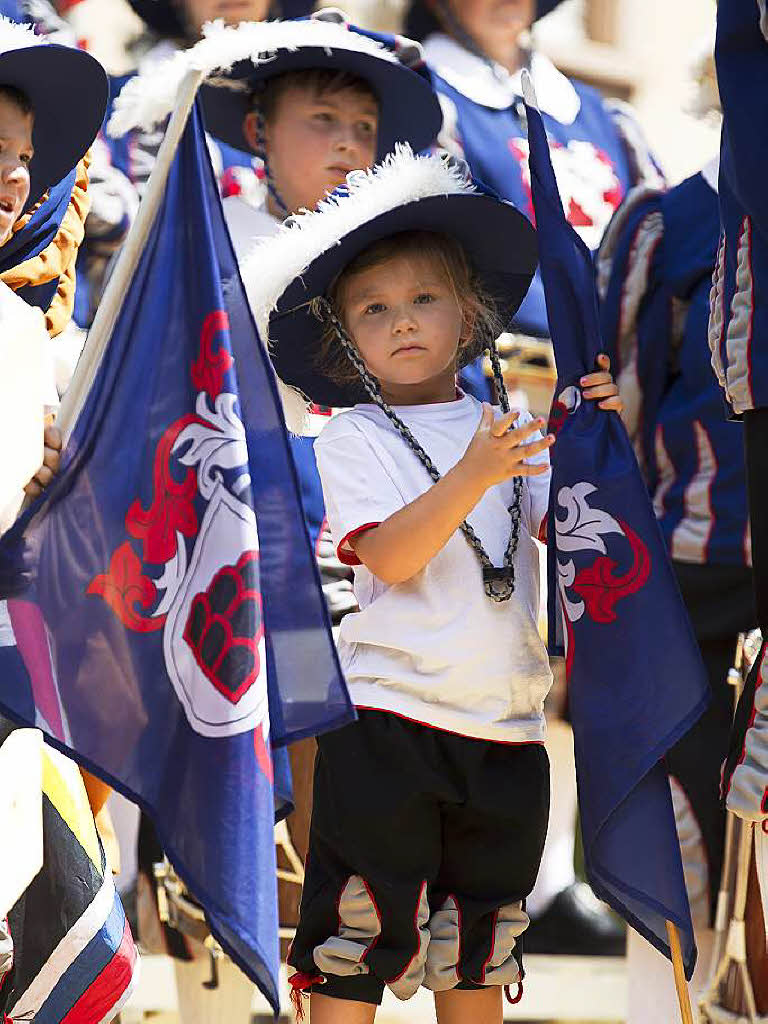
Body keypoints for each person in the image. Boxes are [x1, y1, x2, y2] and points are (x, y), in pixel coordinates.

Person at [246, 145, 622, 1022]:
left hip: (505, 722)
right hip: (388, 720)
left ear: (470, 313)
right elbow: (390, 556)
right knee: (353, 943)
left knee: (480, 947)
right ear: (343, 336)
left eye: (424, 299)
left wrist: (600, 432)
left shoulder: (506, 424)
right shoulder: (352, 436)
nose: (403, 321)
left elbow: (569, 537)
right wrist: (475, 474)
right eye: (374, 308)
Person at [401, 0, 664, 954]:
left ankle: (550, 873)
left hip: (603, 406)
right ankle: (465, 874)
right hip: (482, 401)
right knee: (495, 631)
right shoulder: (423, 91)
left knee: (571, 644)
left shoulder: (599, 115)